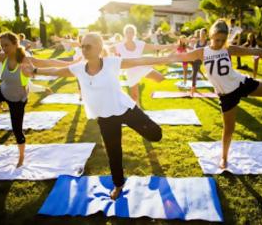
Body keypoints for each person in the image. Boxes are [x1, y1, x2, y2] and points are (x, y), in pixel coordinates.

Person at [21, 33, 180, 200]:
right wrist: (35, 71)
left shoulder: (111, 63)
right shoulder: (79, 68)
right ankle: (118, 184)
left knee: (156, 135)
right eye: (82, 46)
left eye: (88, 46)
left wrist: (165, 59)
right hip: (105, 117)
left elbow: (140, 61)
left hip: (125, 108)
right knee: (113, 152)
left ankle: (139, 128)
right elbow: (56, 70)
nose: (84, 49)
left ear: (98, 48)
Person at [0, 32, 77, 168]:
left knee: (17, 130)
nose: (4, 48)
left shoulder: (25, 60)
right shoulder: (3, 57)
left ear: (15, 44)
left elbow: (49, 62)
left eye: (6, 45)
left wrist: (73, 62)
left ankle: (21, 156)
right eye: (2, 46)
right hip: (2, 91)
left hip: (17, 100)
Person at [164, 19, 262, 169]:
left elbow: (256, 52)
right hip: (226, 95)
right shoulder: (202, 52)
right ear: (211, 36)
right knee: (229, 129)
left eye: (222, 40)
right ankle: (223, 158)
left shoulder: (228, 49)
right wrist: (160, 58)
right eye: (217, 39)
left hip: (240, 83)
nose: (219, 43)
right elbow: (180, 57)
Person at [110, 24, 173, 106]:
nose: (129, 34)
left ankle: (154, 94)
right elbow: (105, 49)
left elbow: (154, 47)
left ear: (134, 33)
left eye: (131, 32)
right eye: (127, 32)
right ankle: (137, 111)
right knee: (134, 96)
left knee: (160, 78)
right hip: (131, 72)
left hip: (142, 68)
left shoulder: (139, 44)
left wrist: (170, 46)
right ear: (125, 34)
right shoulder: (119, 46)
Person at [191, 28, 208, 96]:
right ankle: (193, 87)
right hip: (196, 58)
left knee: (195, 70)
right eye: (201, 33)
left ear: (206, 34)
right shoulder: (197, 42)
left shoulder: (207, 42)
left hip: (203, 59)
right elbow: (194, 49)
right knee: (194, 71)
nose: (202, 35)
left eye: (203, 33)